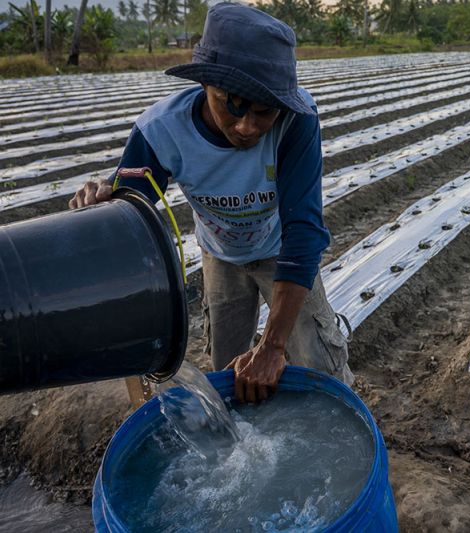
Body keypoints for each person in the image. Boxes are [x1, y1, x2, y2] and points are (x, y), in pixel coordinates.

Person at [68, 3, 353, 402]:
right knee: (228, 369)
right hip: (221, 253)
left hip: (280, 251)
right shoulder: (160, 130)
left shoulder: (296, 120)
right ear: (204, 85)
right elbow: (128, 215)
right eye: (230, 104)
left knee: (321, 364)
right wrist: (99, 208)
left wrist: (273, 346)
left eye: (262, 112)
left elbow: (304, 231)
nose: (246, 127)